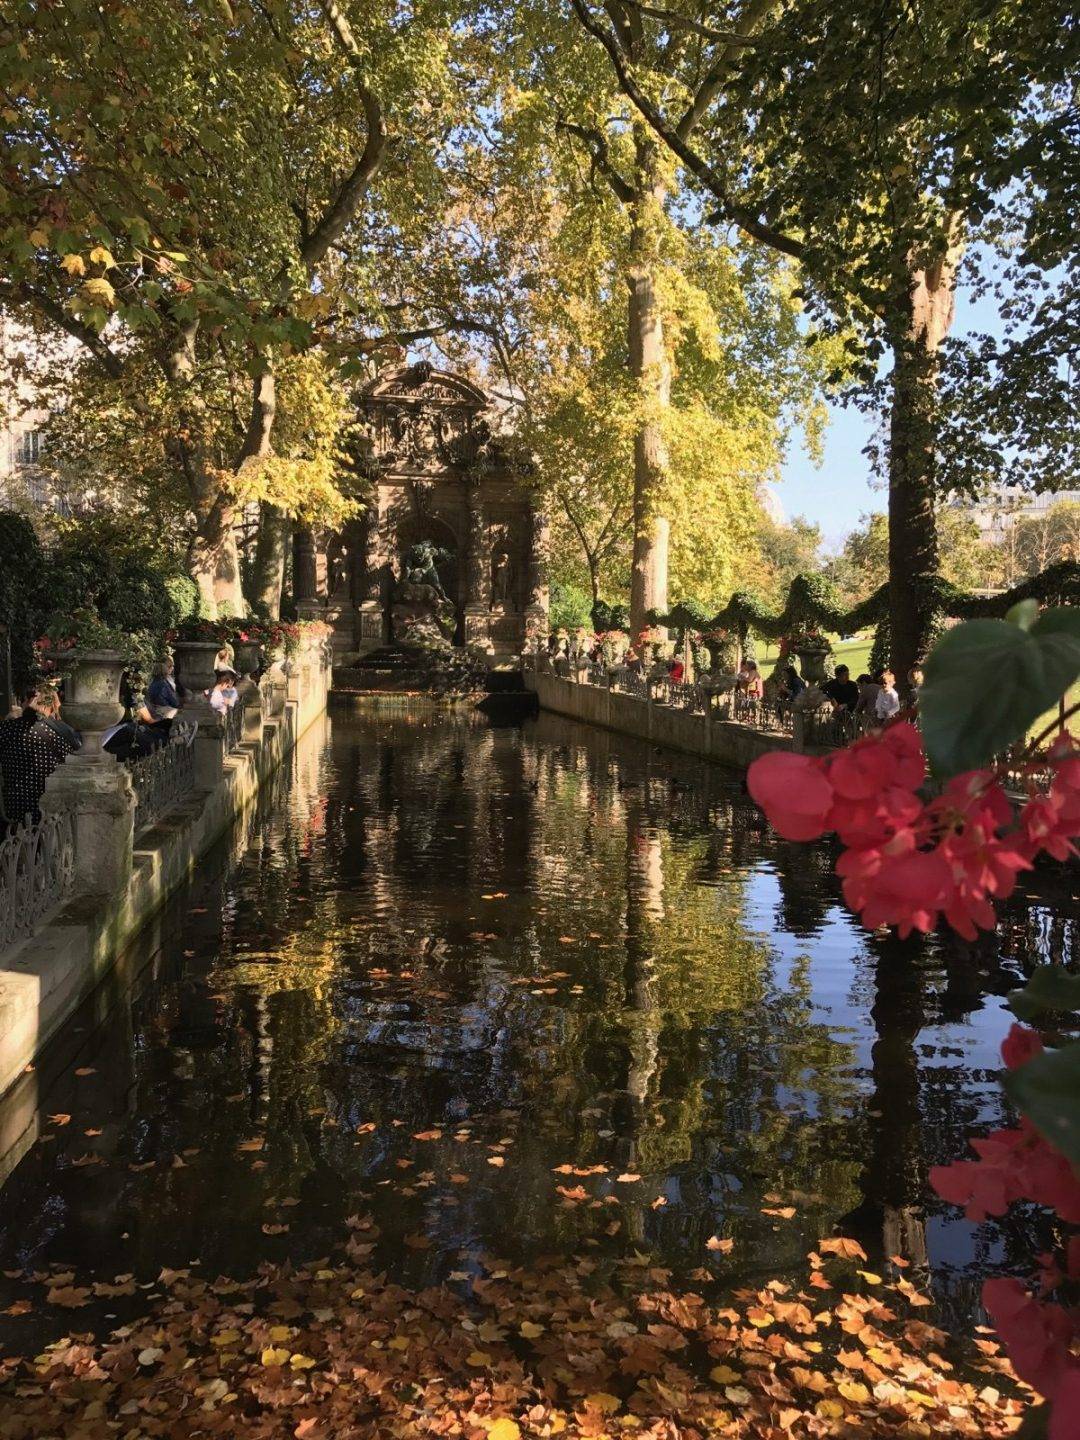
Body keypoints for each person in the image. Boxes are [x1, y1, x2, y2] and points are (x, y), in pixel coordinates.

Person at [0, 684, 82, 828]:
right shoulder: (58, 732)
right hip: (47, 805)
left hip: (14, 803)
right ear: (53, 706)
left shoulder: (7, 728)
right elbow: (74, 761)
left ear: (26, 702)